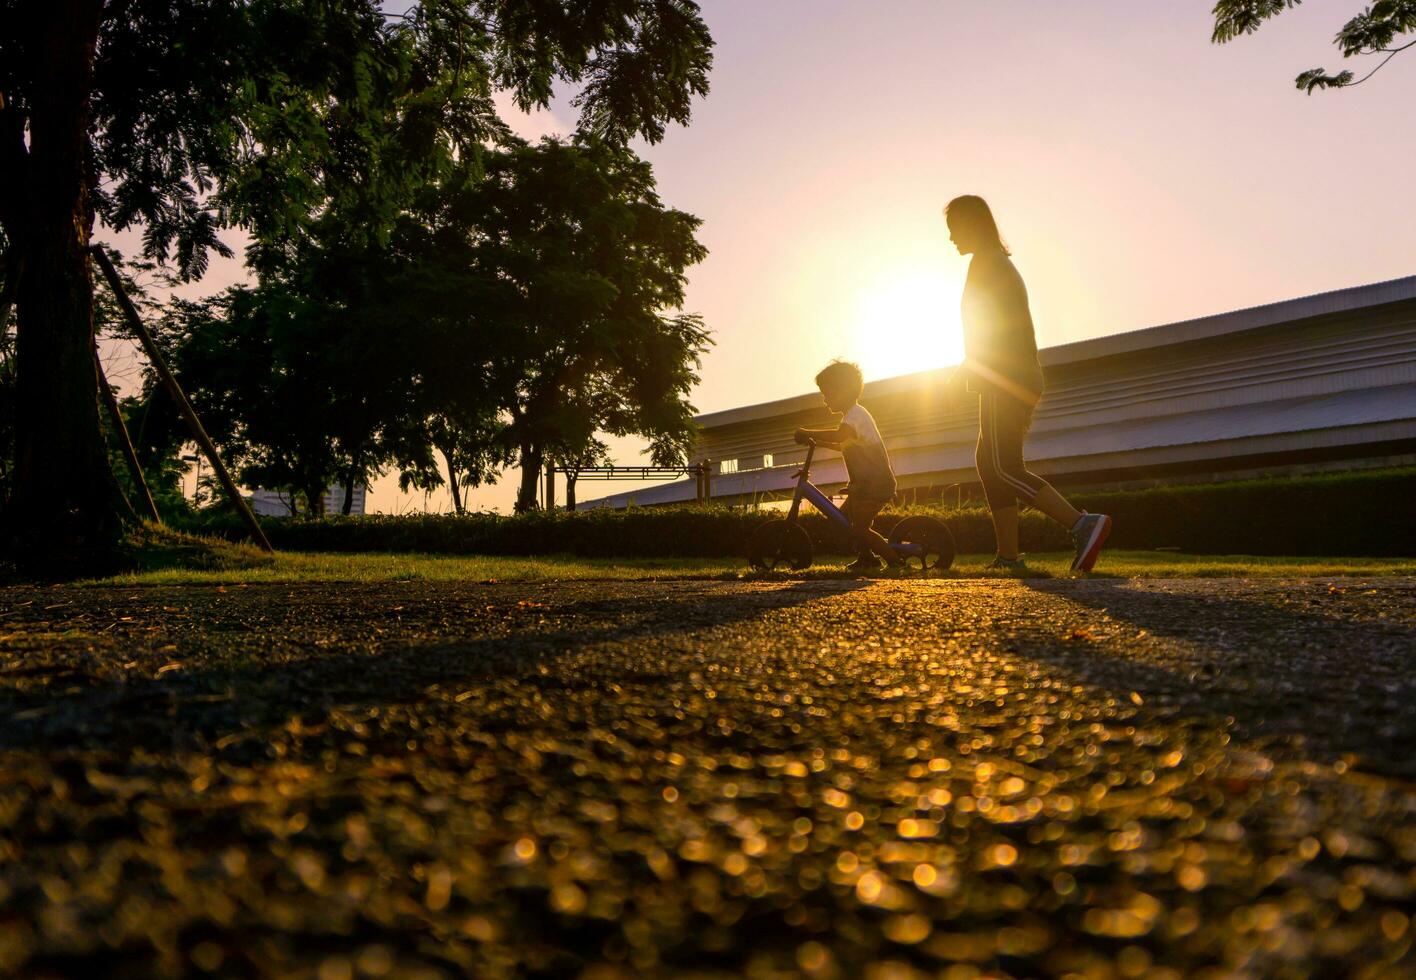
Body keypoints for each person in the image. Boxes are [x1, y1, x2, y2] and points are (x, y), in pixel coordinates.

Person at [943, 194, 1111, 572]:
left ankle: (1082, 524)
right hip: (1005, 377)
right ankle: (1008, 557)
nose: (951, 238)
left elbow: (990, 329)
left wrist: (966, 373)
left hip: (1006, 379)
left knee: (1002, 466)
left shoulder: (987, 264)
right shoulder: (993, 264)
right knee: (989, 462)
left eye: (954, 229)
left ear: (972, 223)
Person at [794, 360, 900, 574]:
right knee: (846, 521)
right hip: (864, 485)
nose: (825, 400)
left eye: (827, 393)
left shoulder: (856, 416)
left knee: (860, 528)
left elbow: (839, 435)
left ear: (844, 390)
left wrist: (808, 432)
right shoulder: (851, 418)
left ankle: (895, 561)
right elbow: (841, 444)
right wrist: (817, 442)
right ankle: (867, 558)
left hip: (874, 485)